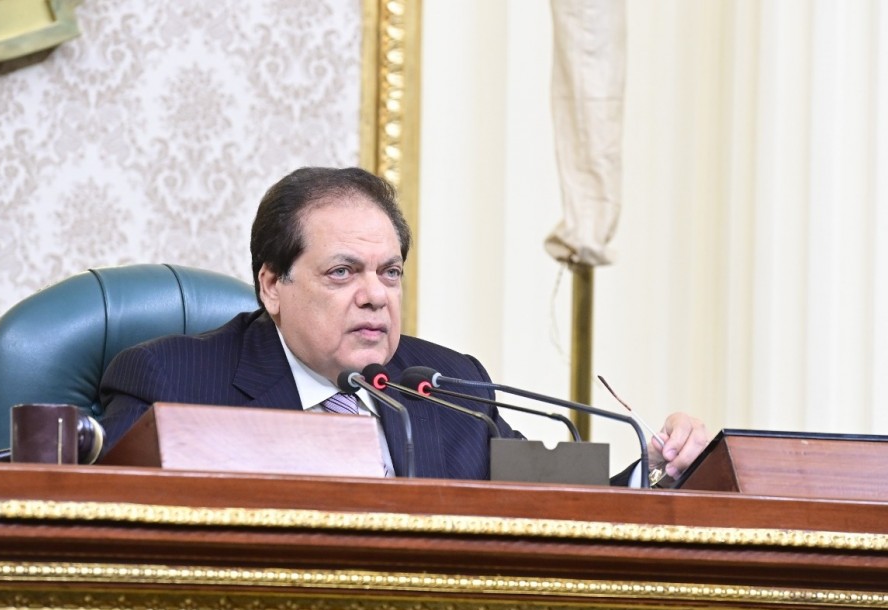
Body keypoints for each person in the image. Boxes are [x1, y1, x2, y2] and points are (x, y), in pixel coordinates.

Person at [98, 166, 709, 484]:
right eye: (343, 272)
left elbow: (550, 511)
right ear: (272, 285)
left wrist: (657, 469)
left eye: (389, 273)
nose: (374, 296)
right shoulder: (171, 381)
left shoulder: (449, 385)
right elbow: (106, 534)